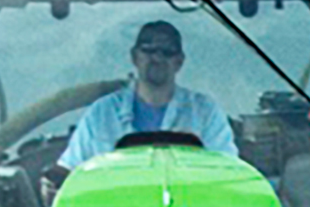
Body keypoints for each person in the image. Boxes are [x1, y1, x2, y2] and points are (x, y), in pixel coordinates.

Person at [63, 18, 231, 168]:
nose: (157, 58)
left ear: (179, 62)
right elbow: (67, 173)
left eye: (167, 52)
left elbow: (227, 172)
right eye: (149, 50)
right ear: (135, 57)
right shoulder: (100, 115)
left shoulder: (205, 114)